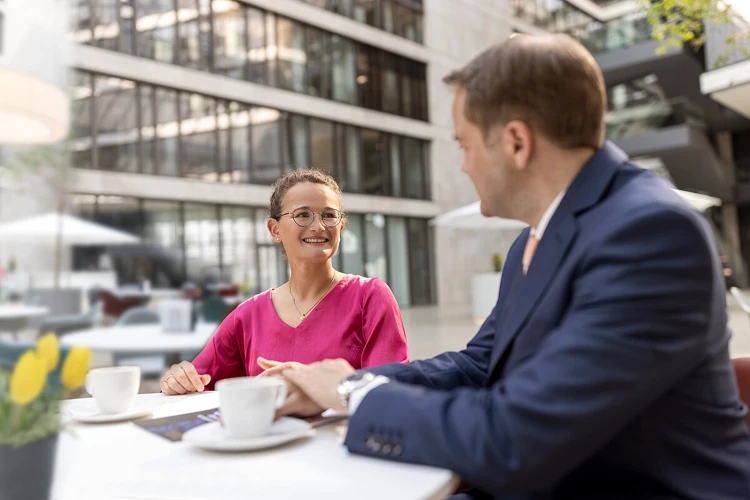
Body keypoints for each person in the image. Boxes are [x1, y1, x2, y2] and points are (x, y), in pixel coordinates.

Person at [274, 34, 750, 499]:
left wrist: (356, 398)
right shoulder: (537, 237)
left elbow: (516, 438)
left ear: (517, 142)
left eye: (465, 145)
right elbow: (481, 364)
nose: (463, 167)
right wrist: (349, 382)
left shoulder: (650, 234)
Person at [160, 168, 409, 395]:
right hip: (269, 443)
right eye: (303, 215)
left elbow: (388, 393)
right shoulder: (247, 316)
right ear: (275, 229)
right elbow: (198, 383)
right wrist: (179, 379)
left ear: (341, 227)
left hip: (340, 443)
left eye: (328, 215)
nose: (319, 226)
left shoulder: (370, 297)